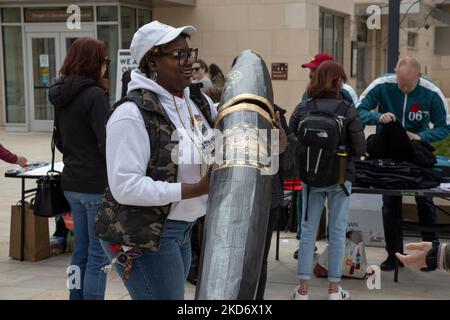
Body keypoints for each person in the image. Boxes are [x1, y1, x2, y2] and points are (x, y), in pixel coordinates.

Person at [96, 20, 217, 300]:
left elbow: (225, 135)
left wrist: (270, 139)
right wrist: (196, 189)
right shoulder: (130, 114)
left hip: (182, 229)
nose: (189, 62)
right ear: (152, 61)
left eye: (191, 53)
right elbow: (125, 186)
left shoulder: (196, 102)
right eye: (179, 55)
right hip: (144, 236)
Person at [357, 56, 450, 271]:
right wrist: (378, 117)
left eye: (409, 85)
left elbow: (444, 127)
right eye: (401, 83)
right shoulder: (381, 85)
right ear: (395, 73)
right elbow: (358, 112)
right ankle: (393, 254)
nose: (404, 88)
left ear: (420, 75)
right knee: (390, 204)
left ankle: (431, 255)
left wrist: (422, 136)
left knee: (425, 202)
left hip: (416, 152)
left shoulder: (431, 92)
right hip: (389, 153)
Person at [289, 61, 366, 300]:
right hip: (340, 178)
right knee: (337, 230)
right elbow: (360, 147)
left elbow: (293, 140)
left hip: (311, 178)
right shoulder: (347, 109)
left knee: (308, 230)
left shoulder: (303, 108)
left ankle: (302, 290)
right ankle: (334, 290)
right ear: (338, 81)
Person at [48, 37, 111, 300]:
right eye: (105, 60)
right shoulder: (95, 95)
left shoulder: (60, 94)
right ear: (94, 62)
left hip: (72, 182)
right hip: (95, 185)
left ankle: (76, 296)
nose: (107, 66)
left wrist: (78, 155)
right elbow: (106, 141)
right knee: (99, 255)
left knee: (81, 250)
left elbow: (59, 139)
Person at [256, 104, 295, 300]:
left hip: (267, 195)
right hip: (232, 194)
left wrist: (282, 146)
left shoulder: (274, 113)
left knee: (259, 258)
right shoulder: (226, 108)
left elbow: (289, 167)